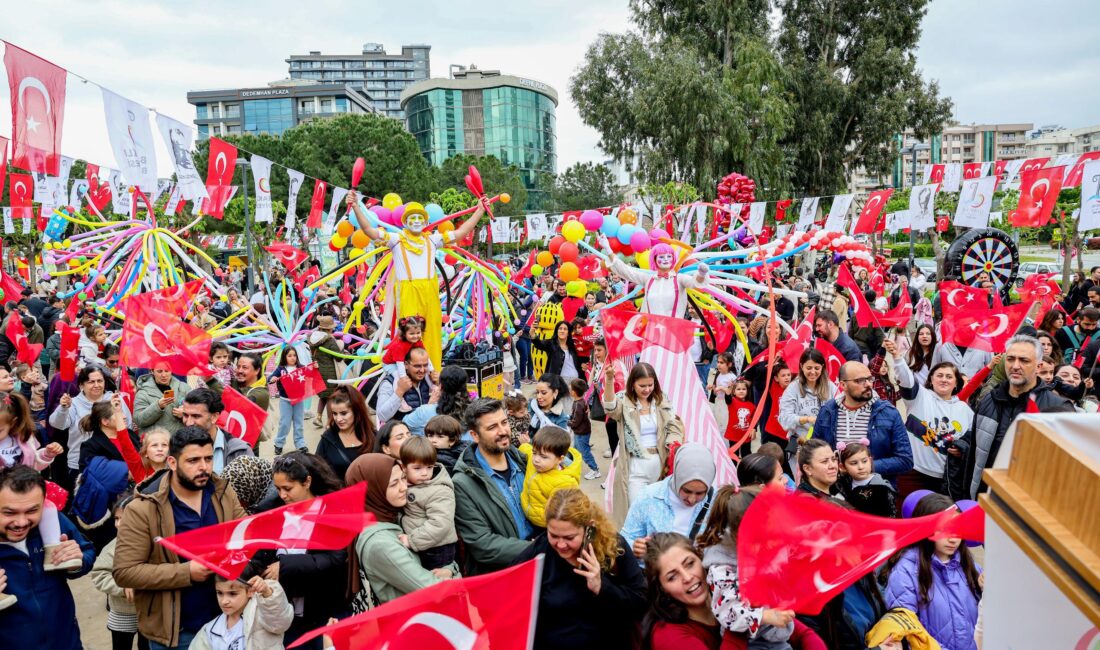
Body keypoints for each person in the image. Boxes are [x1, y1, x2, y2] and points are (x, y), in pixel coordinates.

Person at [113, 427, 248, 650]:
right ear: (172, 463)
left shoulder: (223, 492)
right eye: (193, 460)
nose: (203, 467)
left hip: (227, 625)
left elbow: (246, 537)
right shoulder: (143, 508)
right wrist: (186, 572)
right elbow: (125, 572)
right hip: (178, 633)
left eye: (208, 458)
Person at [513, 488, 647, 650]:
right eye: (553, 535)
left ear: (589, 528)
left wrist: (602, 587)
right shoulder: (540, 552)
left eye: (569, 537)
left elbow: (641, 603)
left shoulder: (614, 548)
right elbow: (508, 588)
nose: (561, 544)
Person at [696, 484, 821, 650]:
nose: (772, 542)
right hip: (748, 642)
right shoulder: (723, 565)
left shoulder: (766, 546)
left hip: (779, 636)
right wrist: (764, 616)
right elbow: (727, 611)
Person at [255, 452, 347, 649]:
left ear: (307, 482)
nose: (282, 495)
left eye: (288, 488)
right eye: (278, 488)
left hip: (321, 609)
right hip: (283, 612)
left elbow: (336, 558)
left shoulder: (330, 511)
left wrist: (285, 566)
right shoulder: (270, 511)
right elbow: (259, 552)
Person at [0, 464, 96, 649]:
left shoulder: (53, 522)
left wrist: (77, 561)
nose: (21, 522)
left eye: (31, 511)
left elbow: (87, 552)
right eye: (9, 513)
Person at [967, 335, 1074, 497]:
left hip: (1027, 501)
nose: (1015, 366)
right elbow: (973, 456)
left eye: (1024, 360)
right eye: (1011, 359)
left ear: (1038, 366)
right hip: (984, 497)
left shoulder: (1058, 409)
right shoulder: (989, 400)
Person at [345, 453, 458, 605]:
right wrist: (453, 571)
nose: (404, 488)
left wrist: (450, 568)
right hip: (418, 615)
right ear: (372, 490)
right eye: (393, 484)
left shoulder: (391, 515)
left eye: (404, 478)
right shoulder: (381, 544)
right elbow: (435, 589)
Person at [882, 493, 982, 650]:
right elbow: (907, 631)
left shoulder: (970, 566)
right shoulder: (906, 571)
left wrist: (988, 592)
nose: (953, 539)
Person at [887, 338, 976, 502]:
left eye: (949, 377)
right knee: (905, 513)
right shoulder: (919, 396)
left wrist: (962, 447)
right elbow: (906, 379)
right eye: (939, 375)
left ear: (956, 383)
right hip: (912, 472)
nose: (944, 379)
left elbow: (972, 439)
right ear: (931, 379)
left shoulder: (965, 410)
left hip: (944, 479)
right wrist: (897, 358)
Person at [452, 398, 532, 575]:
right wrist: (536, 548)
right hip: (506, 574)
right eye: (492, 427)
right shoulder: (463, 483)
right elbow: (483, 544)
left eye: (504, 422)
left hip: (541, 564)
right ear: (474, 435)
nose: (503, 431)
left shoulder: (525, 461)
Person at [603, 362, 685, 526]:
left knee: (657, 511)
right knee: (637, 511)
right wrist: (610, 380)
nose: (647, 389)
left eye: (650, 385)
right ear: (633, 384)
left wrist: (673, 443)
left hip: (660, 465)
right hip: (634, 465)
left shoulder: (661, 400)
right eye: (642, 386)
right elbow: (610, 408)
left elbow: (673, 425)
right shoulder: (623, 400)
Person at [813, 361, 913, 485]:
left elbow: (905, 460)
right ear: (843, 385)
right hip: (835, 489)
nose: (868, 384)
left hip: (876, 489)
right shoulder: (827, 411)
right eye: (860, 380)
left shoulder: (889, 412)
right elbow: (815, 452)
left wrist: (867, 466)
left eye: (870, 379)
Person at [621, 442, 715, 561]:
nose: (691, 499)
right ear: (677, 479)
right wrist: (635, 547)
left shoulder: (717, 502)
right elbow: (625, 539)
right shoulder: (649, 496)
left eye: (700, 493)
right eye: (686, 491)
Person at [50, 365, 132, 486]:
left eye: (100, 381)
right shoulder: (73, 403)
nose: (96, 385)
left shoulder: (115, 400)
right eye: (91, 382)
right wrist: (63, 408)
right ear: (81, 385)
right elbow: (57, 424)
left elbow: (127, 426)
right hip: (80, 464)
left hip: (113, 464)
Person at [642, 532, 721, 650]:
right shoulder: (668, 637)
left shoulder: (723, 589)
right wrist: (738, 620)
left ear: (701, 558)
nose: (687, 578)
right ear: (662, 588)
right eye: (672, 577)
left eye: (690, 564)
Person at [600, 237, 710, 319]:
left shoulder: (679, 279)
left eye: (669, 256)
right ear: (655, 259)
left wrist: (701, 274)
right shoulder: (649, 279)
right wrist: (608, 249)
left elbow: (695, 282)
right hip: (652, 333)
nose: (666, 259)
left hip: (673, 333)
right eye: (661, 256)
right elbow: (626, 271)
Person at [398, 436, 458, 570]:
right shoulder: (405, 483)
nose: (425, 473)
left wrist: (412, 540)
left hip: (437, 549)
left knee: (434, 580)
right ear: (403, 467)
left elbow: (440, 524)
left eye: (429, 467)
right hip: (423, 543)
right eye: (417, 468)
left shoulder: (440, 490)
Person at [90, 495, 142, 650]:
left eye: (125, 519)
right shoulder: (113, 547)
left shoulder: (153, 544)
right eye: (116, 519)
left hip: (150, 612)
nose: (118, 524)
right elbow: (99, 574)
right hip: (122, 612)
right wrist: (122, 587)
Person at [189, 575, 293, 650]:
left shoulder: (263, 613)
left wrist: (267, 593)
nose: (224, 601)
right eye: (219, 593)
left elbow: (280, 623)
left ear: (250, 591)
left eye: (232, 594)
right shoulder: (209, 630)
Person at [518, 425, 582, 528]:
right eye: (535, 453)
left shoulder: (564, 483)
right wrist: (524, 444)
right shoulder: (534, 461)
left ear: (560, 459)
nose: (536, 459)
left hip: (545, 525)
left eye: (543, 457)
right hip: (527, 515)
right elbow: (528, 450)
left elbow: (564, 513)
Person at [179, 389, 253, 474]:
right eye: (185, 415)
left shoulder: (239, 451)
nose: (189, 423)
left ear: (214, 417)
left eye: (196, 416)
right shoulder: (176, 446)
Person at [313, 387, 375, 481]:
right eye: (334, 413)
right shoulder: (328, 438)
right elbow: (316, 470)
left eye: (343, 413)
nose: (338, 419)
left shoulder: (373, 436)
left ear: (357, 411)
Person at [778, 348, 836, 443]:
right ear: (801, 366)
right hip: (801, 441)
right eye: (809, 368)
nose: (813, 372)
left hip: (825, 442)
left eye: (817, 368)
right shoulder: (793, 388)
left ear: (822, 367)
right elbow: (784, 418)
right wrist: (806, 419)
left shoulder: (831, 387)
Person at [401, 365, 468, 437]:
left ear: (440, 386)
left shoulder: (424, 411)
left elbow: (403, 425)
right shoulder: (472, 409)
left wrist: (429, 405)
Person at [836, 440, 896, 517]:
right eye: (854, 463)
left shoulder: (881, 488)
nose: (861, 467)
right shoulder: (842, 485)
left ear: (870, 461)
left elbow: (889, 516)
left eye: (864, 461)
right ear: (842, 467)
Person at [375, 347, 435, 423]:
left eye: (425, 365)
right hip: (403, 429)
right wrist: (399, 391)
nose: (422, 370)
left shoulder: (429, 380)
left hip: (428, 428)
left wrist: (440, 384)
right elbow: (382, 416)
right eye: (417, 366)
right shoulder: (390, 383)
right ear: (406, 365)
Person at [588, 337, 624, 459]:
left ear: (607, 350)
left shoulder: (615, 365)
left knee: (617, 450)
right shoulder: (601, 365)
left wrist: (606, 383)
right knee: (614, 447)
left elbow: (621, 389)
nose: (596, 353)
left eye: (599, 350)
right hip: (608, 412)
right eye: (595, 350)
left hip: (615, 413)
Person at [268, 346, 307, 455]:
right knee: (284, 423)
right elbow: (270, 378)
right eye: (289, 356)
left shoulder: (301, 367)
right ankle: (279, 444)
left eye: (294, 355)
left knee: (299, 423)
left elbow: (311, 374)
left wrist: (315, 368)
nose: (292, 358)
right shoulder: (280, 369)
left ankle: (300, 444)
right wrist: (272, 379)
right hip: (285, 400)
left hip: (299, 400)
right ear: (284, 357)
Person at [133, 361, 189, 435]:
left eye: (167, 371)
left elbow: (197, 411)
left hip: (181, 438)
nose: (164, 375)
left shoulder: (184, 388)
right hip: (156, 439)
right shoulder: (143, 392)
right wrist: (158, 406)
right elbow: (138, 420)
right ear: (152, 371)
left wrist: (186, 414)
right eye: (159, 371)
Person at [308, 315, 342, 420]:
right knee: (330, 397)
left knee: (323, 396)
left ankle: (318, 418)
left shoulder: (313, 339)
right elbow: (338, 357)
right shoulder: (330, 340)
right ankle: (330, 422)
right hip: (329, 373)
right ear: (329, 328)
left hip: (317, 371)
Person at [380, 315, 430, 380]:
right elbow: (400, 364)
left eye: (418, 333)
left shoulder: (418, 342)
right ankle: (397, 386)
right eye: (412, 334)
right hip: (390, 364)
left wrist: (431, 370)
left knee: (427, 374)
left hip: (403, 361)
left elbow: (425, 356)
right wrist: (403, 377)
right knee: (398, 377)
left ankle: (432, 386)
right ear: (404, 334)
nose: (415, 336)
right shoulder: (399, 346)